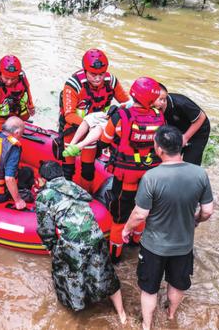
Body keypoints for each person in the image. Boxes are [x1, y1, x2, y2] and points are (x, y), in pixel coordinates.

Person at [121, 125, 214, 330]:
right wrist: (196, 220)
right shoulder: (199, 173)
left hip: (154, 246)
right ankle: (171, 316)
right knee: (177, 283)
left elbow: (140, 214)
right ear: (181, 146)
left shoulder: (152, 177)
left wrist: (126, 229)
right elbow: (208, 210)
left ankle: (147, 325)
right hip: (184, 245)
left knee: (149, 289)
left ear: (159, 149)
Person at [35, 161, 127, 323]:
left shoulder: (44, 195)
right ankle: (122, 315)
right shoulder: (72, 186)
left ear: (43, 179)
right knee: (105, 273)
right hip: (95, 234)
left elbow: (46, 229)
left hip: (73, 241)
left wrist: (51, 247)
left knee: (66, 275)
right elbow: (87, 197)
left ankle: (78, 316)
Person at [97, 76, 165, 263]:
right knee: (142, 206)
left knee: (120, 214)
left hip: (126, 175)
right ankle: (136, 242)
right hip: (149, 173)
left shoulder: (121, 115)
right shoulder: (159, 116)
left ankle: (116, 256)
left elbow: (105, 139)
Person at [58, 48, 130, 191]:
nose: (98, 78)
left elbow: (126, 103)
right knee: (68, 168)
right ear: (85, 71)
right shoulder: (73, 85)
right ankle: (66, 193)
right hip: (72, 130)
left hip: (94, 131)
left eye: (101, 74)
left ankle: (86, 195)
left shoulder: (111, 81)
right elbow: (69, 115)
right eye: (93, 74)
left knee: (88, 169)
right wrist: (89, 122)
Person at [155, 83, 211, 165]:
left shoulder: (181, 103)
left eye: (164, 99)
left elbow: (201, 117)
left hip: (198, 130)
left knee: (191, 161)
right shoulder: (152, 106)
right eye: (159, 99)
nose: (162, 103)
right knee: (169, 158)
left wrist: (185, 137)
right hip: (177, 129)